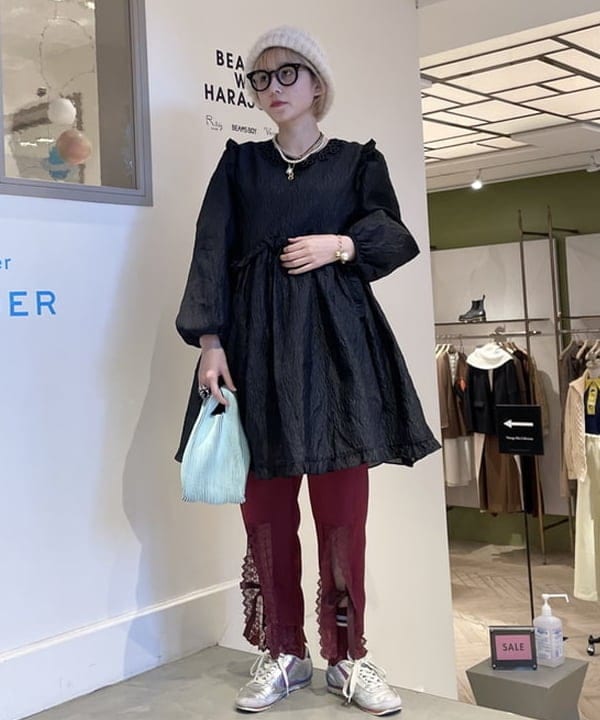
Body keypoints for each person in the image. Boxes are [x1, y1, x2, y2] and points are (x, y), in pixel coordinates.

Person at [175, 25, 440, 716]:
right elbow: (210, 252)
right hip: (255, 349)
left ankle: (348, 655)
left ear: (317, 84)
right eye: (260, 78)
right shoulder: (240, 165)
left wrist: (340, 244)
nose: (272, 88)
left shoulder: (357, 162)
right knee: (264, 508)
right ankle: (284, 651)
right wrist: (210, 343)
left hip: (336, 352)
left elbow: (393, 234)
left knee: (342, 512)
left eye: (286, 73)